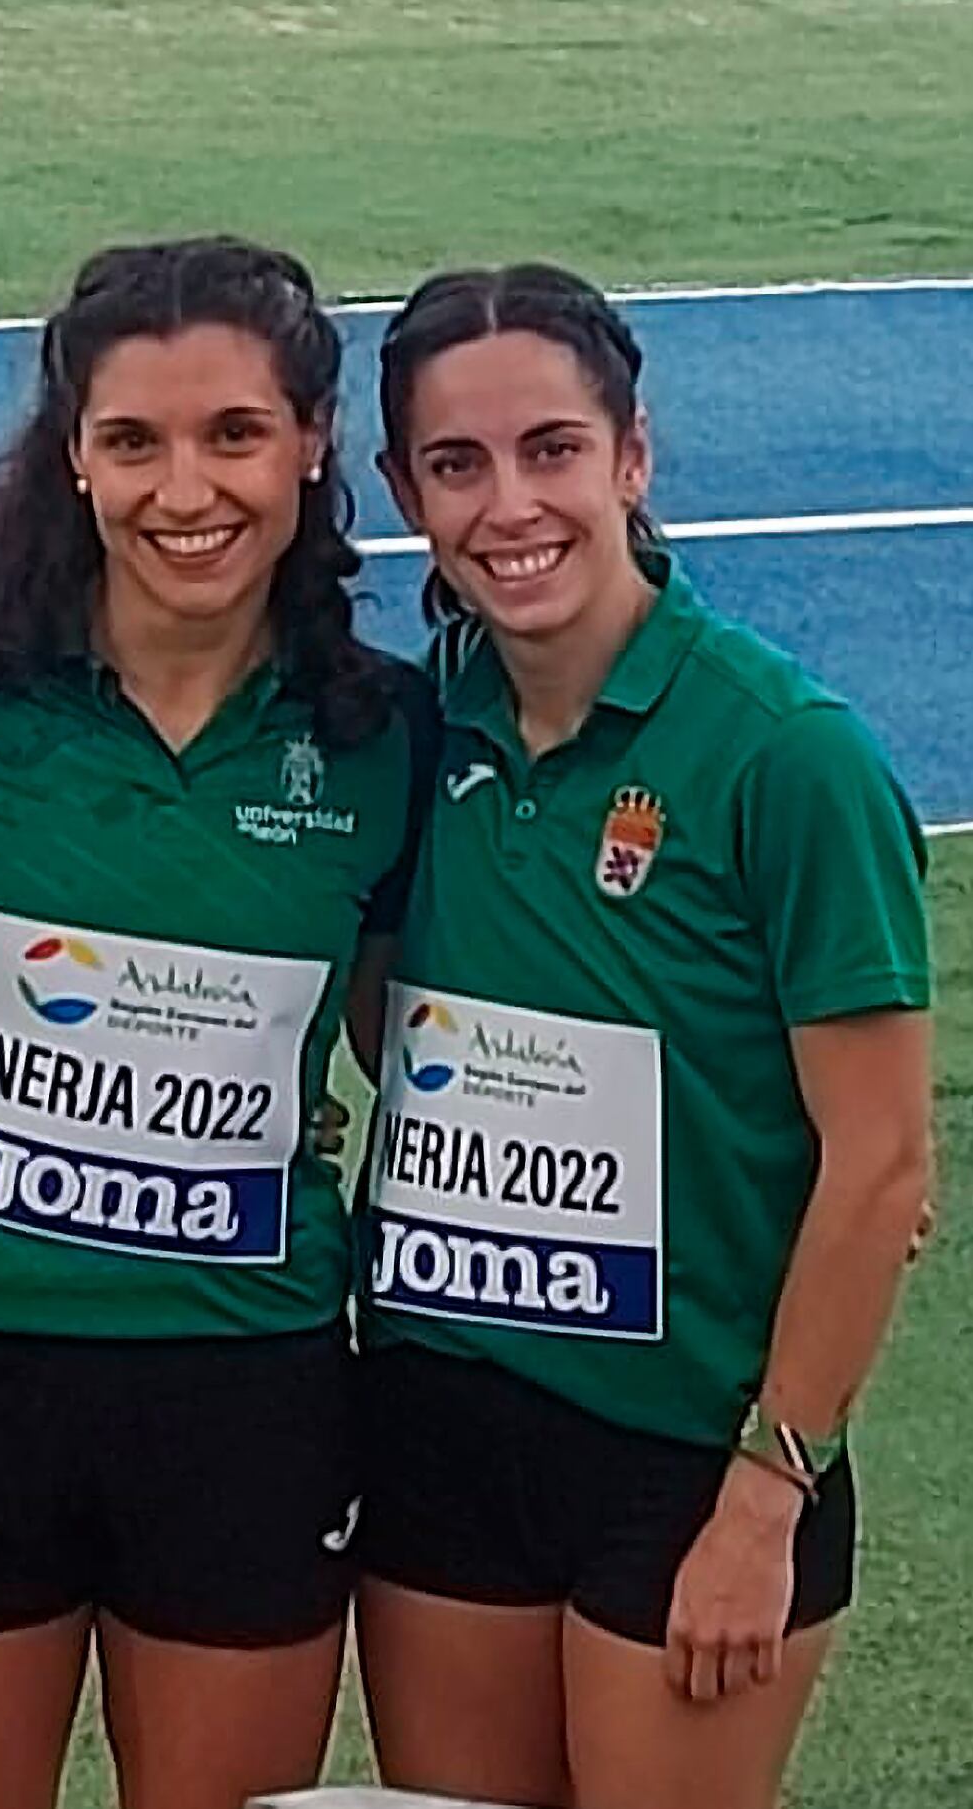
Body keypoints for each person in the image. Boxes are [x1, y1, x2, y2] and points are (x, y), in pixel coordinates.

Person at [0, 237, 434, 1809]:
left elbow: (407, 1033)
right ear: (70, 456)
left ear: (311, 442)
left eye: (233, 434)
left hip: (246, 1383)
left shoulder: (379, 730)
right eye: (132, 440)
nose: (186, 489)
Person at [352, 263, 935, 1809]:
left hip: (690, 1454)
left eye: (550, 448)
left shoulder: (786, 758)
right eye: (456, 465)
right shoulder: (427, 724)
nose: (508, 505)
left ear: (630, 455)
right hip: (443, 1406)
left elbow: (879, 1164)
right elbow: (387, 1012)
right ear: (402, 491)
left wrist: (766, 1495)